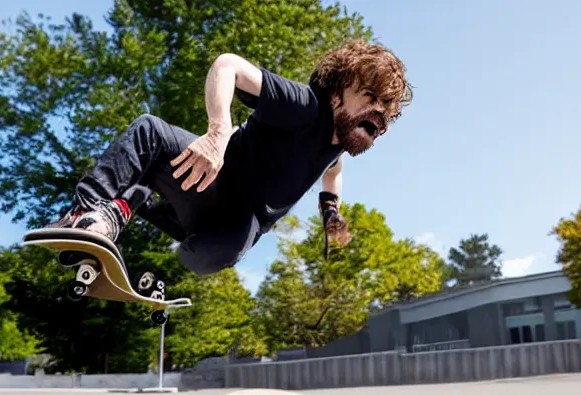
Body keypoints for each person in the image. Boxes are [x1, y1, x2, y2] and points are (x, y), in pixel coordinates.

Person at [47, 39, 412, 276]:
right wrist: (218, 133)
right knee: (149, 131)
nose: (378, 112)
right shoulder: (303, 106)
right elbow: (227, 66)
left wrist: (331, 213)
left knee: (204, 258)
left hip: (235, 223)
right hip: (211, 180)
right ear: (336, 93)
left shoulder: (337, 147)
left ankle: (138, 200)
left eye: (386, 108)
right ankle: (90, 213)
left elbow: (333, 174)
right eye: (368, 95)